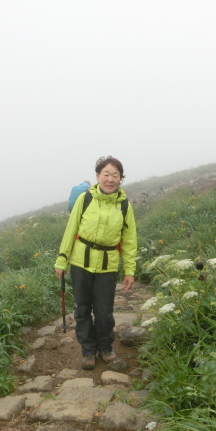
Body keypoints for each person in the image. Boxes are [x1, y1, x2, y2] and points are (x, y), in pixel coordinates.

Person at [54, 156, 137, 370]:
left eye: (115, 175)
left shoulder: (124, 205)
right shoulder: (85, 199)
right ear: (98, 176)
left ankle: (105, 348)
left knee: (104, 311)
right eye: (106, 174)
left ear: (120, 179)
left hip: (108, 265)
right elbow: (71, 229)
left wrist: (129, 270)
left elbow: (129, 240)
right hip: (80, 262)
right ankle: (88, 350)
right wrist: (62, 259)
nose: (110, 179)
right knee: (82, 308)